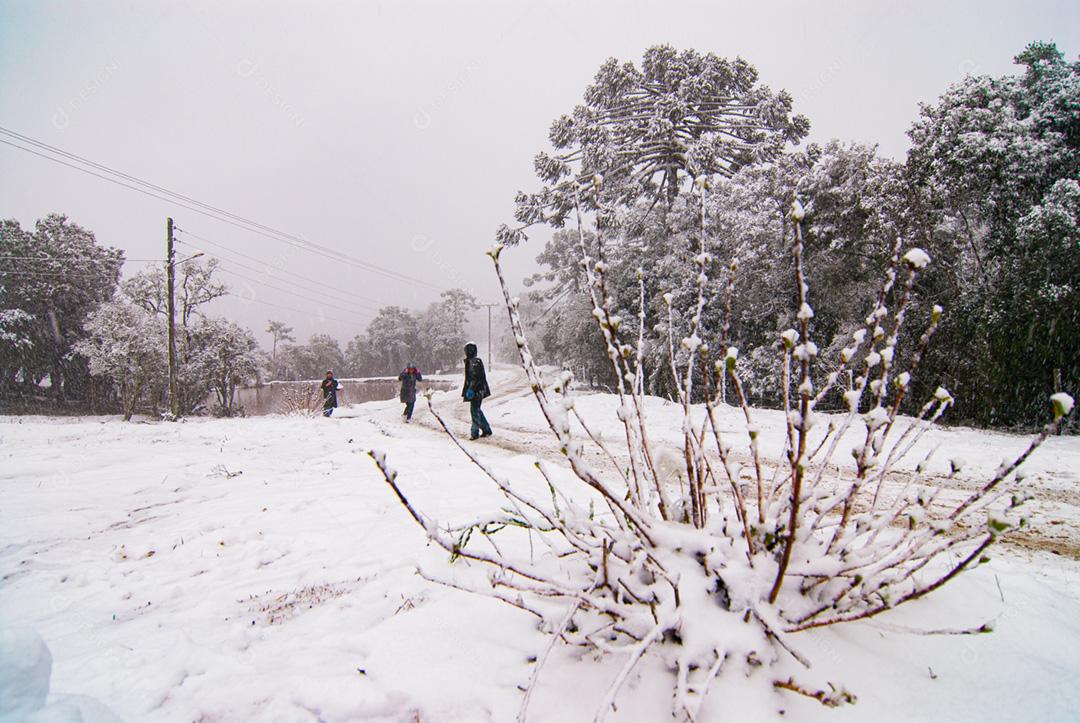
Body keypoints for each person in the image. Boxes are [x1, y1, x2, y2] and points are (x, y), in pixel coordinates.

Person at [461, 342, 492, 440]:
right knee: (476, 410)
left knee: (474, 410)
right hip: (478, 389)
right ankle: (486, 429)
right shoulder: (472, 361)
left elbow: (476, 378)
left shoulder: (474, 362)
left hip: (477, 390)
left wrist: (471, 389)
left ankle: (475, 433)